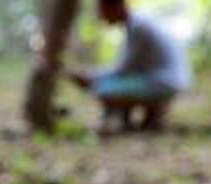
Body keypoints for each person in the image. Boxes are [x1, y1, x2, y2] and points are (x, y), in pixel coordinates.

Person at [71, 0, 191, 133]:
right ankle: (148, 118)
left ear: (115, 7)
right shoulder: (138, 22)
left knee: (103, 87)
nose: (100, 16)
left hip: (164, 82)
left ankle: (127, 120)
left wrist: (92, 76)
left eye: (101, 11)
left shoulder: (138, 26)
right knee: (118, 82)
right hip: (169, 79)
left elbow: (124, 69)